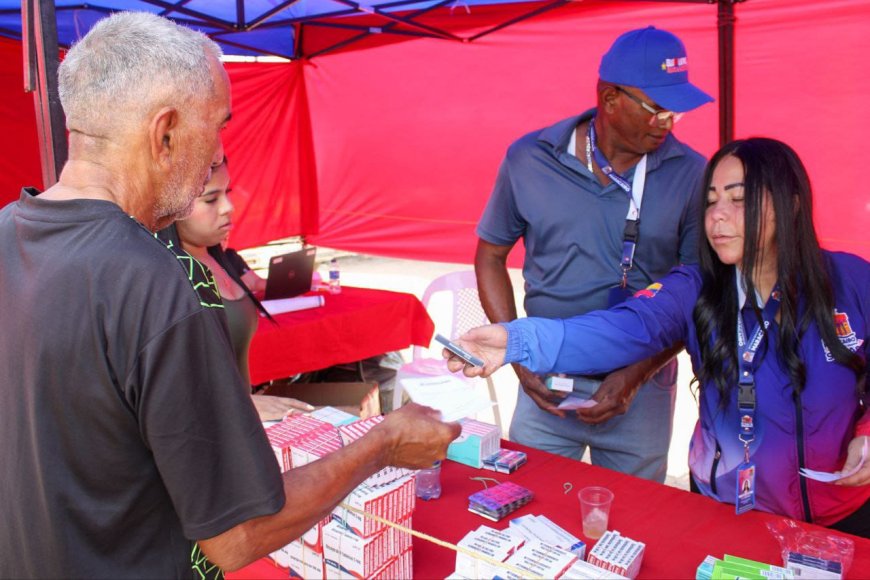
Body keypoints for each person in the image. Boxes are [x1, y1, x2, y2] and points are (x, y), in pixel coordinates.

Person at [0, 12, 459, 578]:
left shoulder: (8, 232)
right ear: (165, 132)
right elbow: (236, 535)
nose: (219, 148)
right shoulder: (152, 281)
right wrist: (381, 443)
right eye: (217, 124)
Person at [450, 138, 870, 536]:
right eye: (710, 201)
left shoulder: (852, 280)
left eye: (738, 200)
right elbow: (618, 329)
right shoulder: (695, 287)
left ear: (791, 204)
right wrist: (515, 339)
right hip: (723, 508)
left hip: (840, 511)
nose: (717, 216)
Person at [475, 26, 714, 482]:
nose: (668, 122)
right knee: (528, 505)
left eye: (676, 113)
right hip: (544, 379)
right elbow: (489, 255)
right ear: (609, 98)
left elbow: (695, 293)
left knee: (633, 522)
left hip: (640, 389)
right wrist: (518, 353)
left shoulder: (693, 174)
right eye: (657, 109)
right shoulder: (530, 158)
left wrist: (636, 377)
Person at [159, 158, 311, 421]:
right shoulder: (164, 277)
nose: (228, 208)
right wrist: (239, 406)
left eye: (227, 193)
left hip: (239, 421)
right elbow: (166, 391)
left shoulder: (223, 259)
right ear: (170, 206)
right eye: (210, 199)